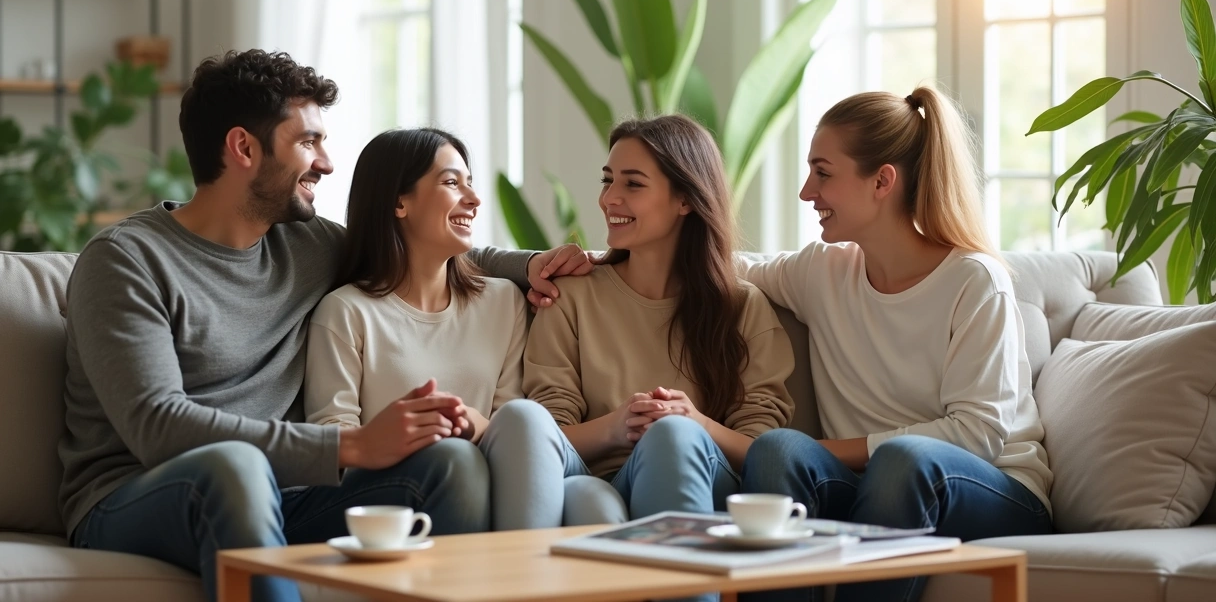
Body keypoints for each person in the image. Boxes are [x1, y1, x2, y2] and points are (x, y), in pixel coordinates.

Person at [58, 49, 589, 602]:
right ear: (243, 148)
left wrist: (530, 265)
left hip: (287, 495)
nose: (327, 163)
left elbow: (423, 246)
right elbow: (158, 427)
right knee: (236, 469)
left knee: (449, 461)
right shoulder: (125, 260)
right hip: (133, 498)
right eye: (308, 141)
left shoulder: (308, 246)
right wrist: (348, 445)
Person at [738, 86, 1054, 602]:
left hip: (994, 491)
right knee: (777, 450)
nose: (805, 192)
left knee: (903, 461)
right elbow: (723, 269)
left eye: (823, 172)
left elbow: (978, 432)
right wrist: (586, 264)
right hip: (877, 490)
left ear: (882, 180)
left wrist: (836, 451)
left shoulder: (974, 281)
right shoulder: (823, 271)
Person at [480, 114, 796, 549]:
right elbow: (547, 433)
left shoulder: (743, 308)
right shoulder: (571, 295)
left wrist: (695, 422)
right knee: (535, 429)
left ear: (685, 199)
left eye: (633, 184)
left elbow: (763, 453)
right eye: (607, 181)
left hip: (708, 485)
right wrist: (619, 425)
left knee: (674, 434)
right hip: (593, 479)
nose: (609, 198)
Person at [305, 127, 527, 447]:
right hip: (388, 489)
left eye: (470, 183)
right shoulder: (345, 312)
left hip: (492, 481)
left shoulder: (504, 302)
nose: (474, 199)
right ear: (399, 203)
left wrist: (473, 425)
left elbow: (516, 434)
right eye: (452, 183)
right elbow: (334, 438)